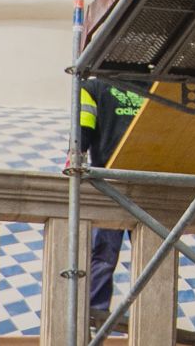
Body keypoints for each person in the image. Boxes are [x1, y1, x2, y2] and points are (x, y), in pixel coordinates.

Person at [77, 79, 149, 321]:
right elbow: (82, 127)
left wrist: (76, 153)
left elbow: (82, 129)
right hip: (118, 182)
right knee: (109, 253)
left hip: (132, 181)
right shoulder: (95, 88)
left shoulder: (156, 86)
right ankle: (98, 314)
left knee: (143, 256)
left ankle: (144, 316)